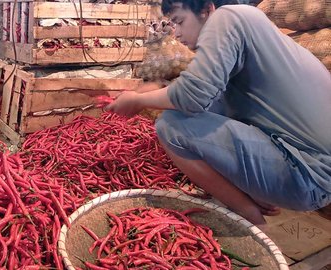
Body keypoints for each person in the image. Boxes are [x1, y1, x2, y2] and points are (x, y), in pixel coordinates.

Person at [105, 0, 331, 225]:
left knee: (171, 125)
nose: (177, 34)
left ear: (207, 10)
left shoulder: (227, 17)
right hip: (313, 173)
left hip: (308, 175)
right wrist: (159, 91)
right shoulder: (250, 25)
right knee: (204, 112)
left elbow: (193, 95)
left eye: (180, 22)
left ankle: (247, 214)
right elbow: (209, 99)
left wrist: (138, 100)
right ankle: (252, 195)